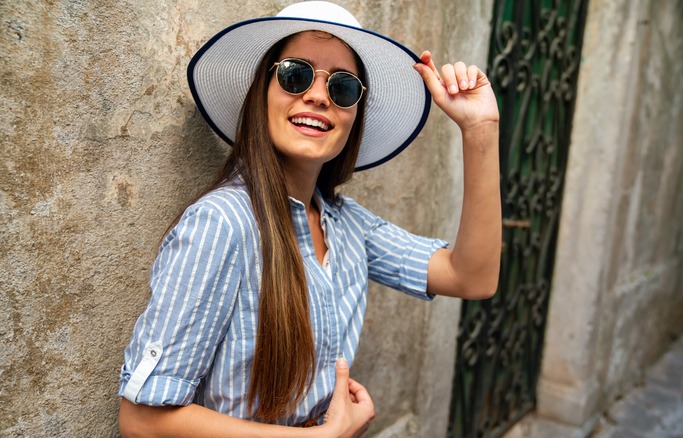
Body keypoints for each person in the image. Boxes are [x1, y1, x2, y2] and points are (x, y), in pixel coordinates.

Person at [117, 1, 500, 436]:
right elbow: (142, 421)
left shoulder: (346, 224)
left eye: (343, 88)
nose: (318, 96)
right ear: (262, 89)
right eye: (295, 75)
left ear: (355, 114)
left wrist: (480, 129)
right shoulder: (221, 224)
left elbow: (471, 277)